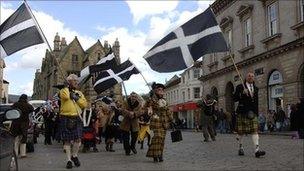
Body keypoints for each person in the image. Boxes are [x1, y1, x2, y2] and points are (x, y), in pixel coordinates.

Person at [233, 72, 265, 158]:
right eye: (249, 76)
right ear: (245, 77)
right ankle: (241, 147)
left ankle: (257, 151)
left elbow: (256, 102)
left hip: (253, 113)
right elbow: (234, 98)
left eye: (252, 76)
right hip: (242, 112)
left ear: (254, 78)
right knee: (241, 132)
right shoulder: (240, 87)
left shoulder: (256, 88)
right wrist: (242, 93)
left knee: (255, 131)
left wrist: (256, 113)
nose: (251, 77)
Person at [59, 74, 87, 169]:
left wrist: (76, 97)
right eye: (74, 80)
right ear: (69, 82)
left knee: (78, 140)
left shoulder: (79, 93)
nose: (76, 82)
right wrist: (66, 87)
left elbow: (84, 104)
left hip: (76, 117)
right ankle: (68, 160)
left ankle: (74, 155)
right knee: (66, 141)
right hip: (65, 117)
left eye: (77, 80)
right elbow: (66, 97)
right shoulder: (63, 91)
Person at [146, 83, 173, 162]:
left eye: (162, 90)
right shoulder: (151, 100)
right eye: (159, 90)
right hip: (155, 122)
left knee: (162, 140)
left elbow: (168, 111)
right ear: (155, 91)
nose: (161, 91)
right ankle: (155, 155)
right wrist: (153, 106)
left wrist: (172, 120)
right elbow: (148, 111)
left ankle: (160, 154)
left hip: (164, 123)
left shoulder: (164, 101)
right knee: (156, 138)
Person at [10, 94, 34, 158]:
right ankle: (23, 154)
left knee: (16, 140)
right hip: (24, 125)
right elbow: (32, 109)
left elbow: (11, 109)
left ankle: (15, 154)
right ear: (26, 99)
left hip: (16, 124)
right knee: (23, 139)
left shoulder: (15, 104)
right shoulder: (28, 105)